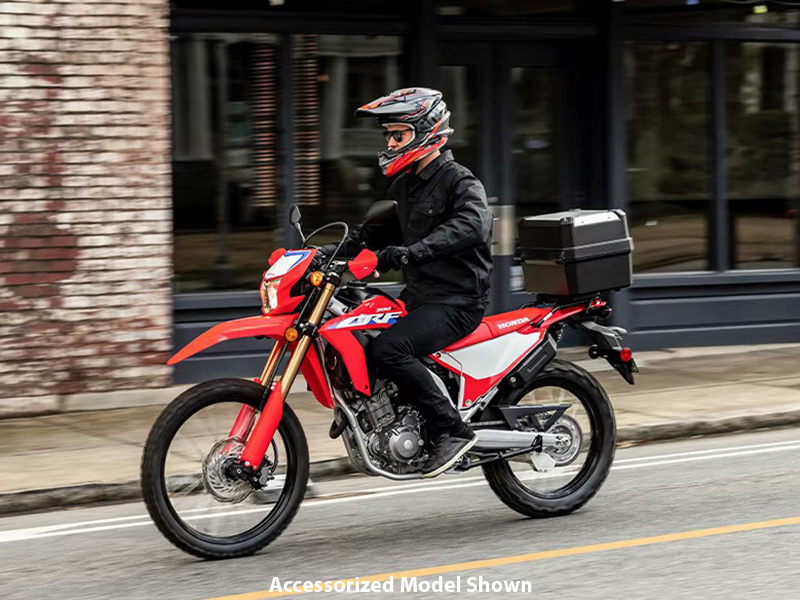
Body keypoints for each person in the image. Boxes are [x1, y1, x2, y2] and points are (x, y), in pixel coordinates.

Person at [322, 87, 493, 477]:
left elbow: (472, 225)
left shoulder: (459, 182)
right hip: (420, 296)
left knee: (389, 350)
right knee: (357, 331)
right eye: (388, 136)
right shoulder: (405, 185)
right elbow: (369, 237)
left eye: (398, 134)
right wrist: (320, 254)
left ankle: (452, 429)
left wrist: (409, 253)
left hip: (457, 301)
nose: (390, 142)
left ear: (426, 132)